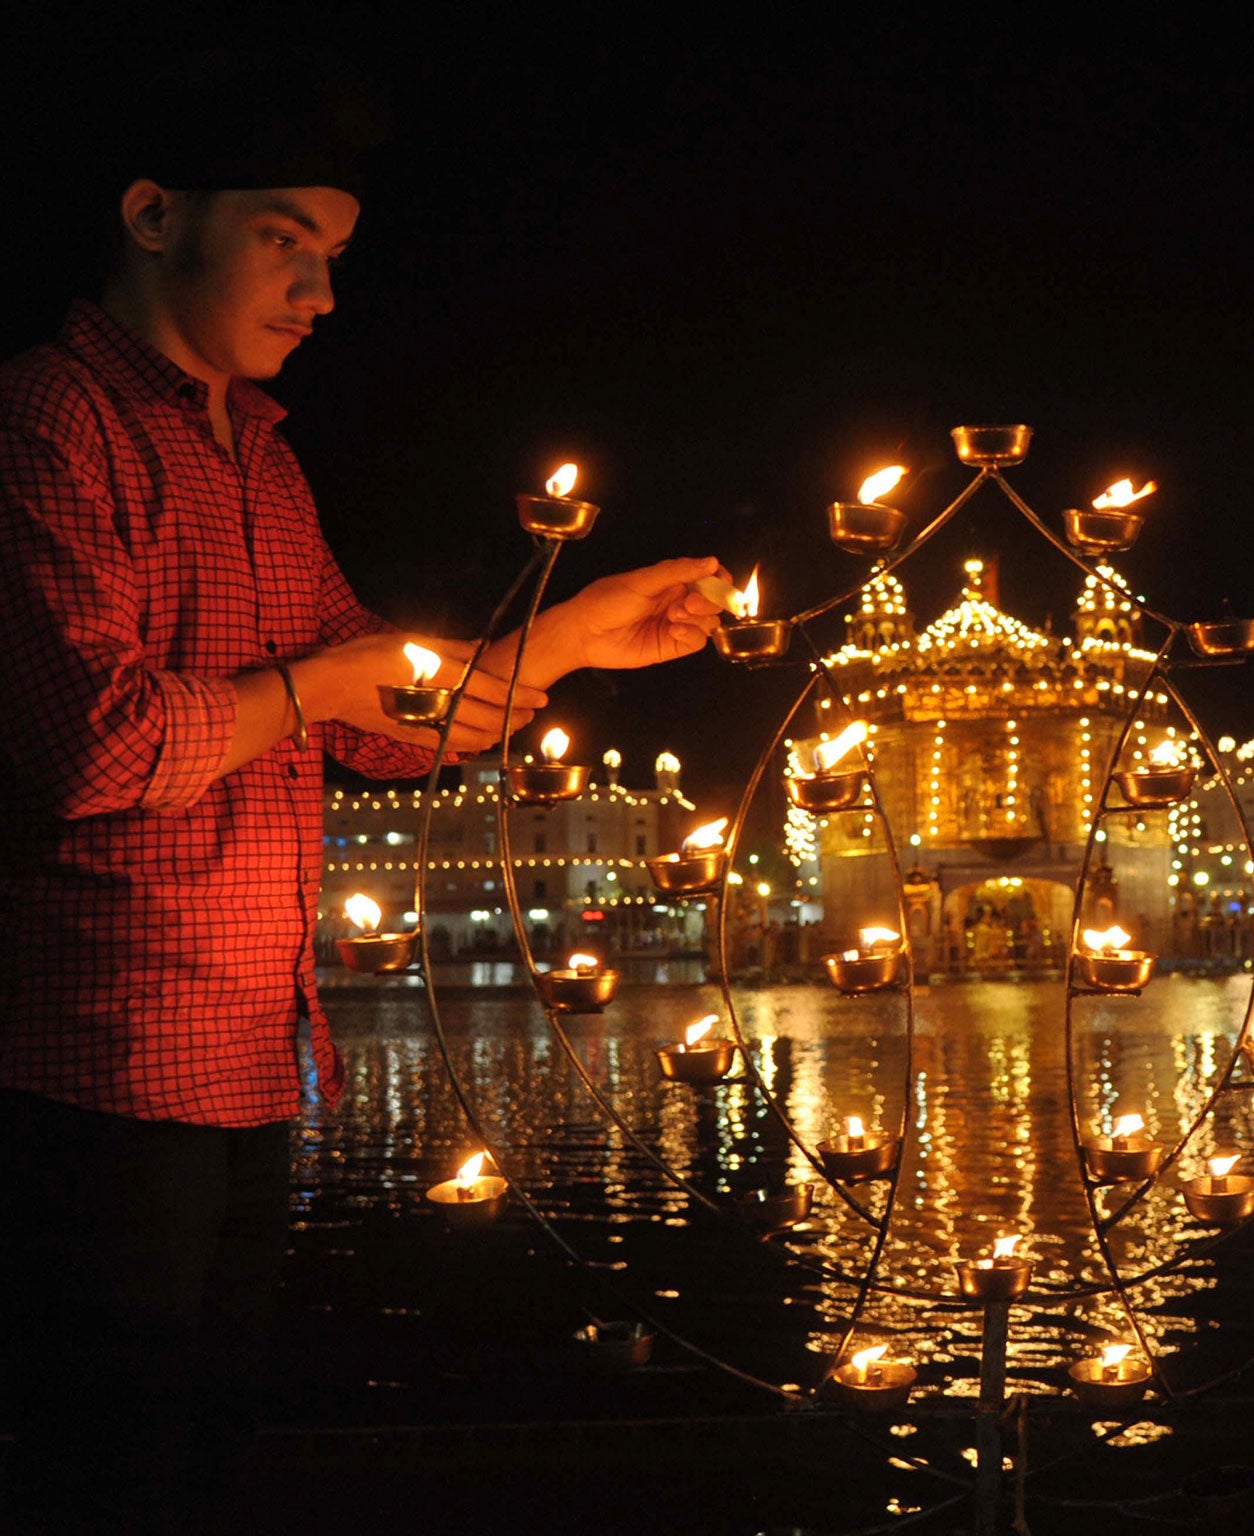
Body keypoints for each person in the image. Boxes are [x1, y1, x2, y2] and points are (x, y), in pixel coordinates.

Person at [0, 60, 730, 1533]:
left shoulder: (263, 465)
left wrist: (577, 635)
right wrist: (326, 682)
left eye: (334, 258)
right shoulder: (46, 424)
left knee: (212, 1453)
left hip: (257, 1051)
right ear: (153, 216)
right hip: (97, 1063)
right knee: (105, 1466)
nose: (321, 295)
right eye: (286, 242)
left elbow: (391, 722)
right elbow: (94, 746)